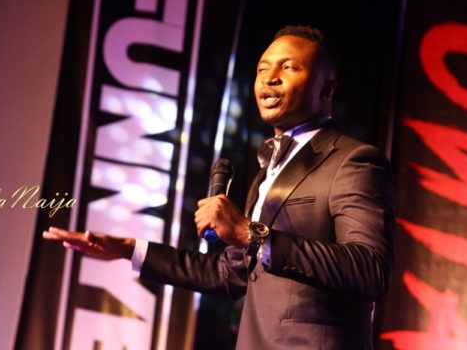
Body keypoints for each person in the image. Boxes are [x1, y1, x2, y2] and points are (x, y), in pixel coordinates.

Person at [44, 25, 395, 349]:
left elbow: (370, 269)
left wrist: (251, 234)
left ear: (327, 89)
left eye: (288, 67)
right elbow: (231, 274)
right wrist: (130, 249)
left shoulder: (353, 160)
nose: (269, 78)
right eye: (262, 69)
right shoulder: (267, 174)